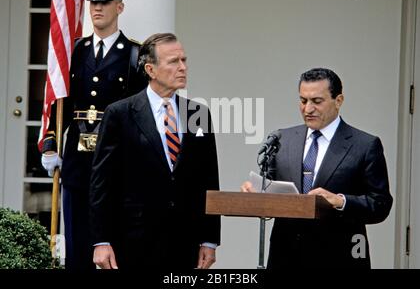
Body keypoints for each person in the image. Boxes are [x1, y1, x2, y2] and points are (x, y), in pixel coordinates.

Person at [40, 0, 148, 270]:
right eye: (93, 2)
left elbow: (142, 113)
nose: (97, 8)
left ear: (120, 7)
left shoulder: (135, 55)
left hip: (116, 163)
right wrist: (50, 142)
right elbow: (59, 101)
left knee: (115, 250)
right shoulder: (74, 51)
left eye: (106, 2)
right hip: (77, 162)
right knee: (76, 248)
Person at [89, 33, 220, 269]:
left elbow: (209, 179)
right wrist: (101, 240)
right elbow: (102, 181)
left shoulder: (198, 114)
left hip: (185, 242)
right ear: (150, 69)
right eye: (173, 62)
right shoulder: (120, 113)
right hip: (132, 241)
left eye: (184, 60)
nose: (183, 68)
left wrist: (209, 240)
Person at [242, 68, 393, 269]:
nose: (308, 109)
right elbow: (270, 190)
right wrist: (257, 193)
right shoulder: (282, 139)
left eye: (317, 101)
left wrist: (340, 201)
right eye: (303, 101)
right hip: (286, 257)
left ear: (338, 101)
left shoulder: (364, 145)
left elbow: (381, 204)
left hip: (338, 257)